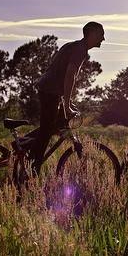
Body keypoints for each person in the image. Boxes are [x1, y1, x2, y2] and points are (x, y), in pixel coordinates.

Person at [27, 21, 105, 176]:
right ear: (92, 34)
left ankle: (26, 147)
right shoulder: (80, 50)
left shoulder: (74, 46)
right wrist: (67, 104)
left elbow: (62, 74)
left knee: (56, 124)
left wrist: (67, 102)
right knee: (46, 131)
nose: (103, 39)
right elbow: (70, 75)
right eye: (101, 34)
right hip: (50, 90)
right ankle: (31, 171)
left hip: (50, 89)